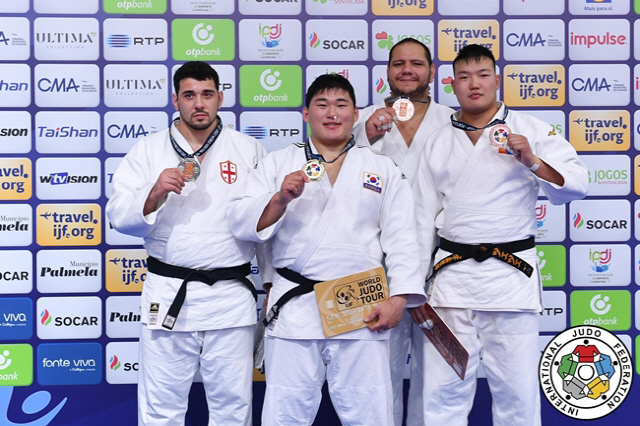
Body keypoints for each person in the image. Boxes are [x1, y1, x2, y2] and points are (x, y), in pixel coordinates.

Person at [228, 74, 427, 426]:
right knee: (284, 414)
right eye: (322, 105)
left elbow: (403, 237)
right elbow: (242, 224)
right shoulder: (277, 163)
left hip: (362, 306)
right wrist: (279, 199)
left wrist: (399, 298)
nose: (332, 113)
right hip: (295, 308)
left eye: (341, 105)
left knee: (371, 414)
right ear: (306, 114)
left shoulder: (381, 167)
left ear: (356, 114)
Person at [409, 44, 588, 426]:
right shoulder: (438, 141)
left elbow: (576, 184)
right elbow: (421, 218)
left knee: (517, 392)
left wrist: (533, 162)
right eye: (464, 77)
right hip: (452, 279)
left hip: (509, 277)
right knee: (443, 392)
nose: (474, 84)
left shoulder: (530, 130)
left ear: (497, 79)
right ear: (452, 84)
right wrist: (414, 286)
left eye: (482, 75)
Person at [106, 61, 269, 426]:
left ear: (220, 98)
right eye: (189, 95)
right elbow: (117, 215)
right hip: (168, 292)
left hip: (230, 296)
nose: (199, 104)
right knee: (161, 407)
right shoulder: (149, 150)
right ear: (175, 100)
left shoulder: (248, 150)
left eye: (207, 94)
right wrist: (153, 193)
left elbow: (265, 225)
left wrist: (272, 284)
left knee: (233, 407)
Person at [352, 37, 453, 426]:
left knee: (436, 380)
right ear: (387, 71)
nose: (407, 70)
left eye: (416, 63)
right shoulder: (361, 120)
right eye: (398, 64)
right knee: (379, 377)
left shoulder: (452, 121)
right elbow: (337, 173)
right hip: (377, 271)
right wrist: (366, 136)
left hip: (441, 267)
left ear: (431, 72)